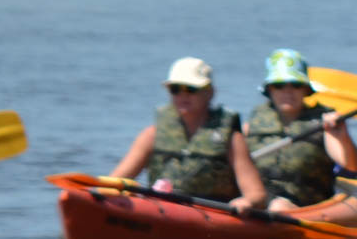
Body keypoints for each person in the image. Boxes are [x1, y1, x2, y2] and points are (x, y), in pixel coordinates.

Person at [108, 57, 269, 211]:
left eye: (191, 89)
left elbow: (257, 194)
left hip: (214, 215)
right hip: (161, 211)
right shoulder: (151, 135)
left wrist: (247, 202)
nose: (183, 95)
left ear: (210, 92)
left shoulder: (231, 139)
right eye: (176, 89)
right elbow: (115, 182)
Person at [241, 49, 357, 211]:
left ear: (305, 89)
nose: (287, 92)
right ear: (269, 89)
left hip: (306, 203)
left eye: (296, 85)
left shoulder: (325, 124)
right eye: (279, 86)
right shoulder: (252, 124)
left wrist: (343, 135)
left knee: (278, 207)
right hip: (261, 197)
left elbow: (351, 166)